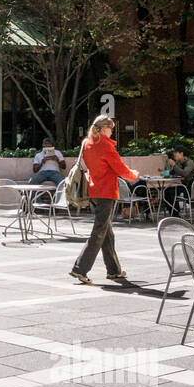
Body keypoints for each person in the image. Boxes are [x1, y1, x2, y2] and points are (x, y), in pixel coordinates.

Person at [70, 115, 138, 284]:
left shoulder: (87, 142)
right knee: (99, 232)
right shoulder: (106, 146)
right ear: (104, 128)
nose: (112, 131)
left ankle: (114, 271)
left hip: (93, 190)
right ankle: (80, 268)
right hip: (106, 191)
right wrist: (133, 175)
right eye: (111, 128)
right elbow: (119, 168)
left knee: (107, 233)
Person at [163, 145, 194, 215]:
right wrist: (165, 170)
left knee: (172, 191)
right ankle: (173, 212)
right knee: (166, 191)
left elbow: (184, 173)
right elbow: (173, 172)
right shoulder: (178, 162)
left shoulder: (189, 162)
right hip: (181, 185)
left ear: (181, 153)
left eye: (176, 153)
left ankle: (175, 214)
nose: (174, 155)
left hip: (189, 187)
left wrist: (174, 165)